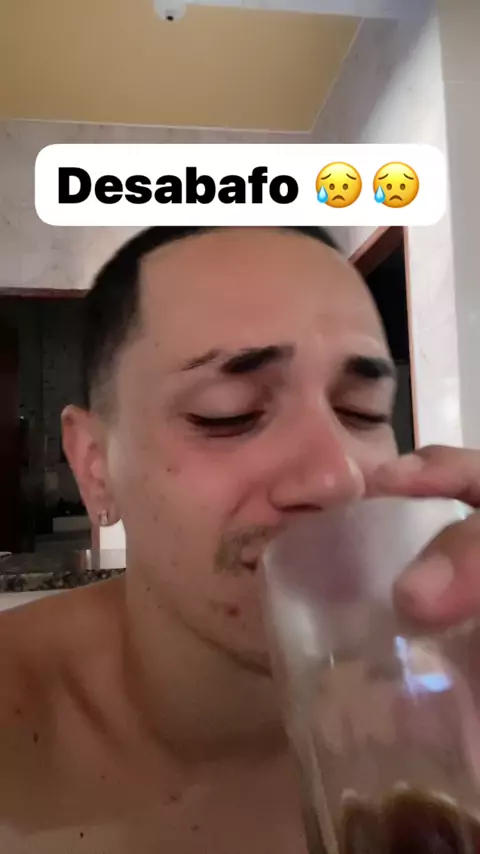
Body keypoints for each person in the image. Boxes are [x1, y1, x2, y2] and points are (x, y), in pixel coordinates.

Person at [0, 225, 479, 854]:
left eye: (363, 410)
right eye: (228, 413)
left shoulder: (442, 710)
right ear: (93, 465)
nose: (338, 477)